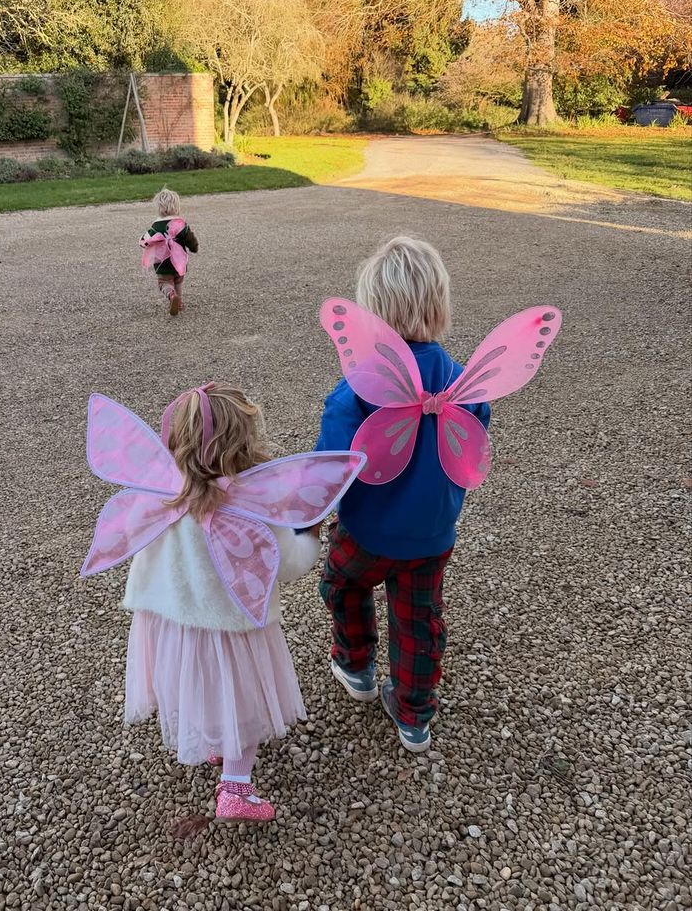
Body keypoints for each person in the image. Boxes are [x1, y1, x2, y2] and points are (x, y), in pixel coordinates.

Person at [314, 236, 490, 753]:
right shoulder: (466, 382)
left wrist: (302, 517)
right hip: (432, 536)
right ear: (440, 305)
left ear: (372, 320)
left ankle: (357, 665)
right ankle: (414, 716)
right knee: (418, 618)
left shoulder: (359, 389)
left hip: (366, 533)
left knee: (341, 586)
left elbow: (330, 466)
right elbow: (473, 445)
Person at [122, 384, 322, 822]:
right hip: (234, 627)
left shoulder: (158, 496)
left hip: (172, 622)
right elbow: (286, 564)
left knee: (198, 685)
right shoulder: (254, 505)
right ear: (243, 443)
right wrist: (311, 538)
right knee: (244, 702)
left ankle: (214, 738)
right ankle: (236, 787)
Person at [140, 188, 198, 316]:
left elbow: (146, 240)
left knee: (164, 283)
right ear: (177, 206)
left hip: (163, 263)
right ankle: (180, 302)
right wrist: (194, 247)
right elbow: (190, 238)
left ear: (159, 207)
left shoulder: (155, 226)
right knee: (178, 280)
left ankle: (172, 296)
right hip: (179, 262)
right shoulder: (181, 224)